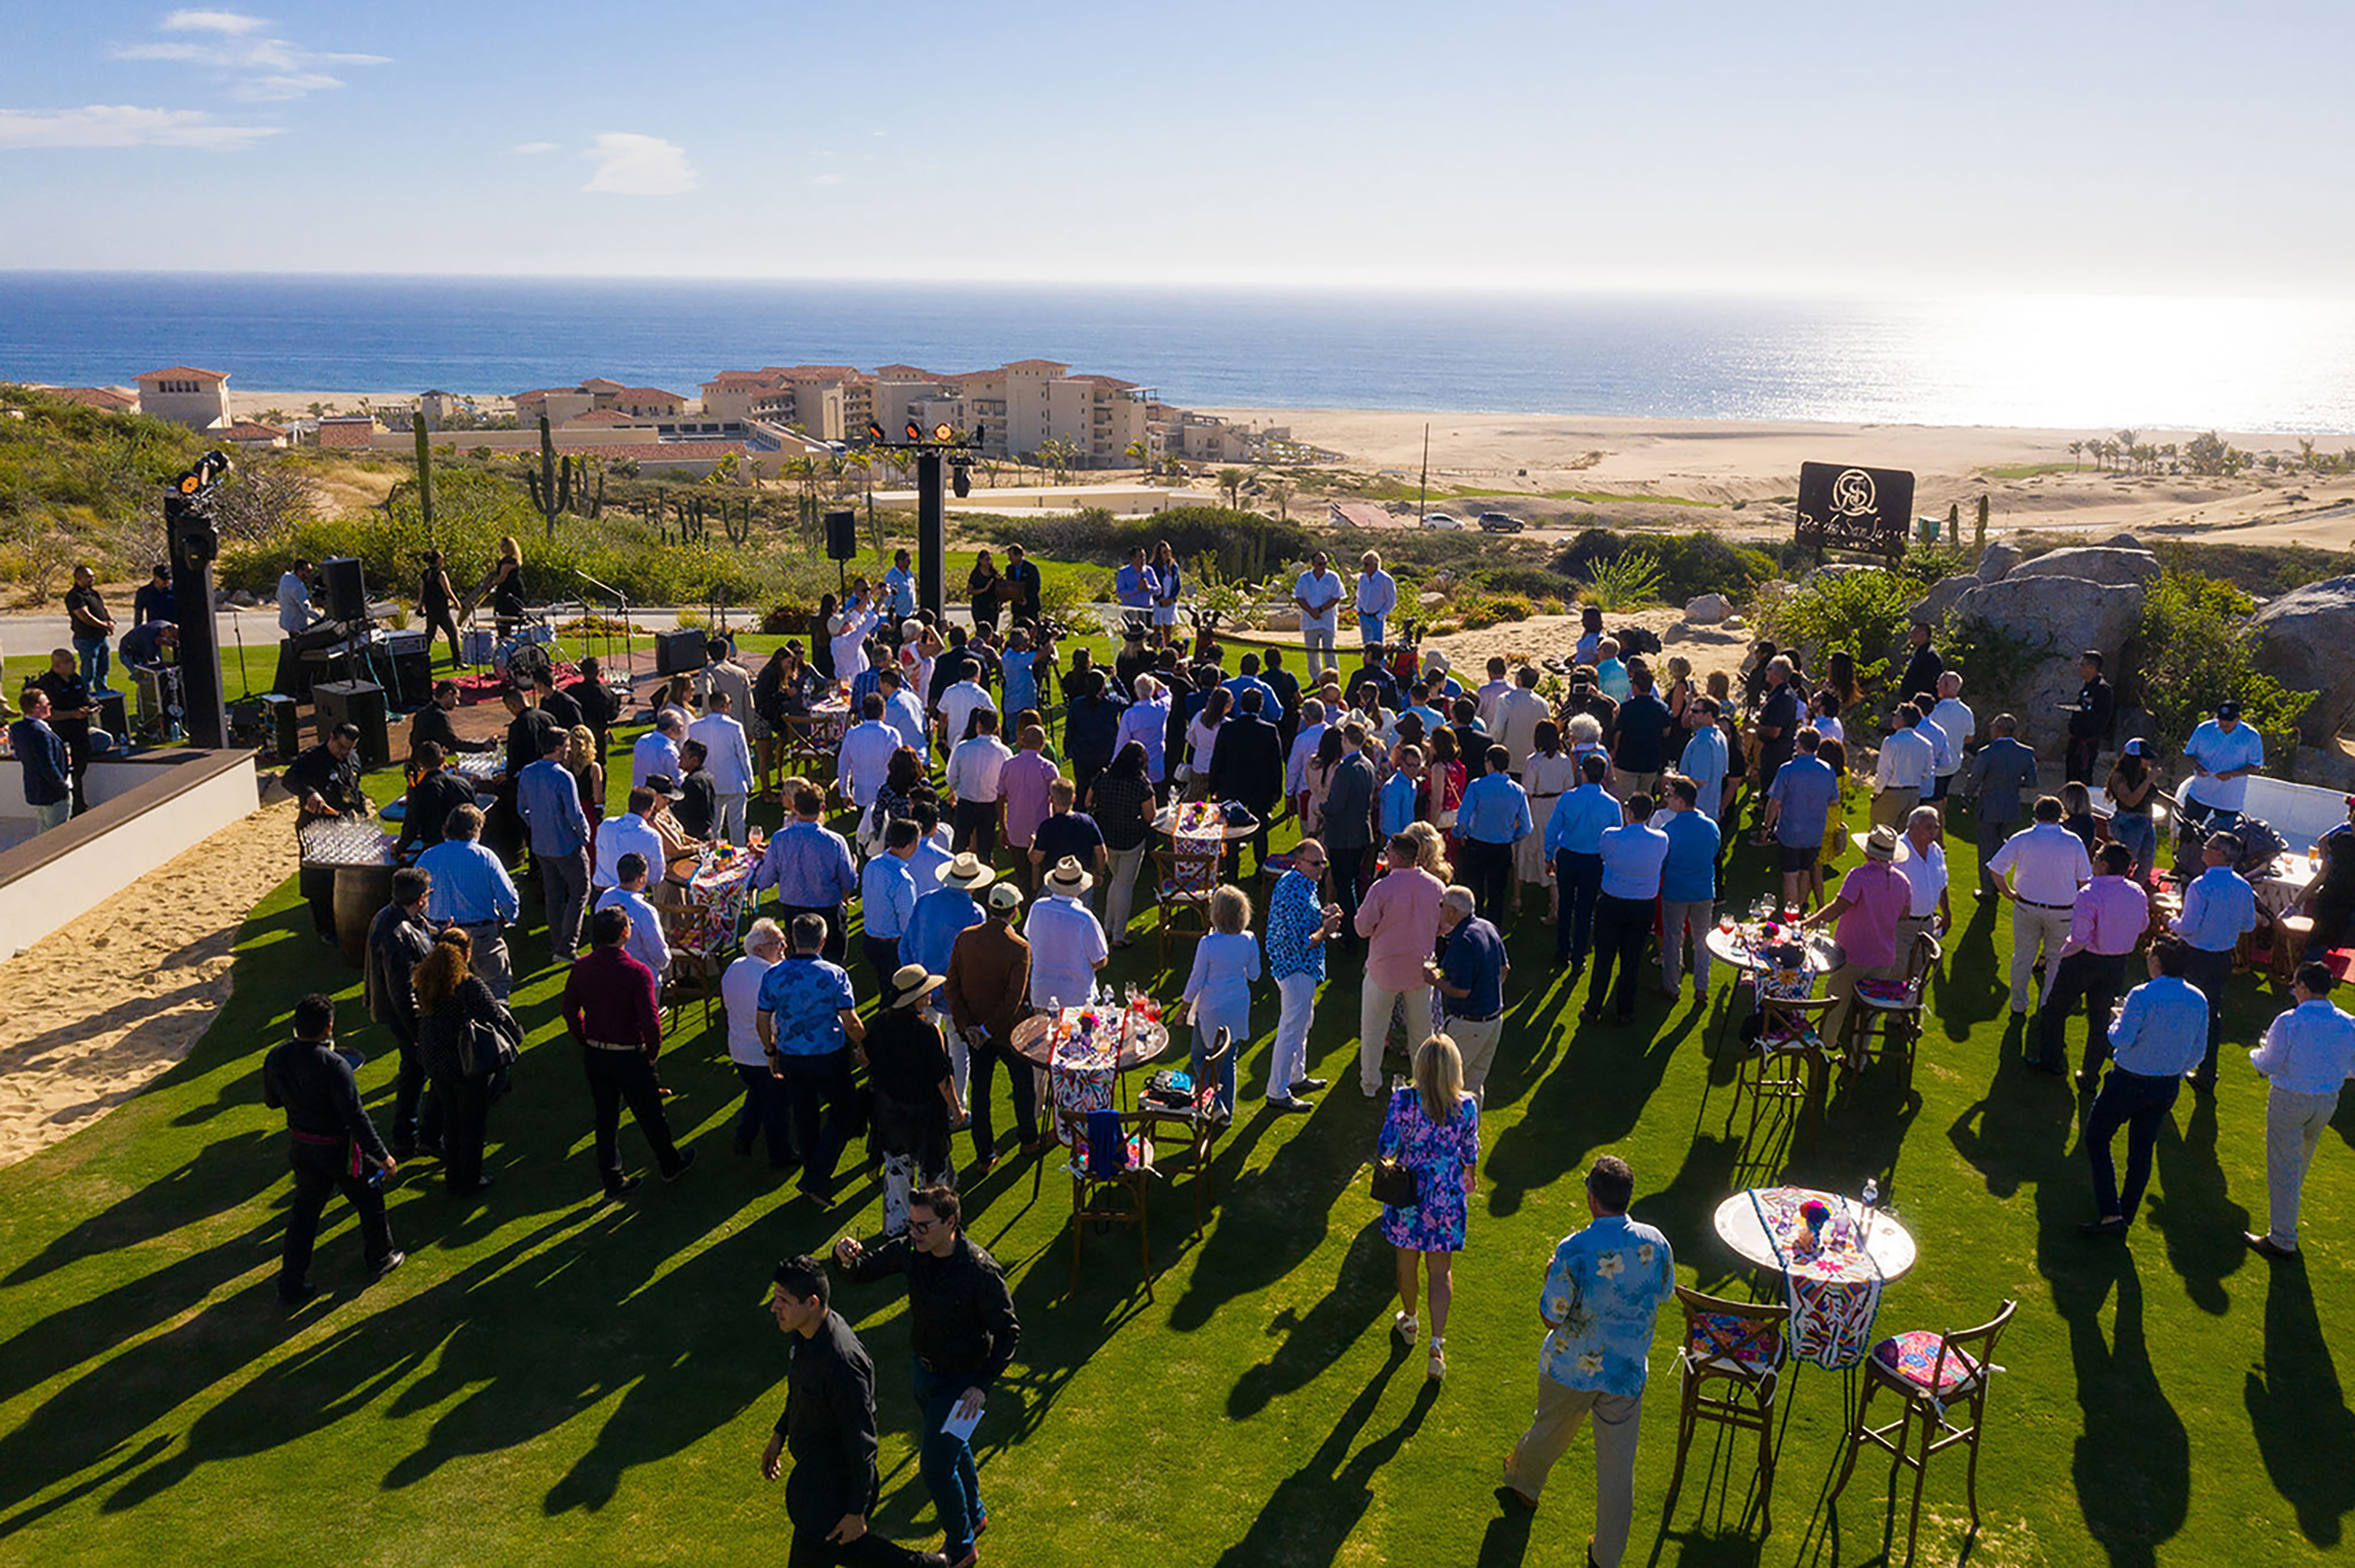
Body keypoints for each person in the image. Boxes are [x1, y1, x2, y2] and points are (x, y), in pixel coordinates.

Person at [1501, 1154, 1677, 1568]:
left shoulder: (1574, 1249)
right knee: (1618, 1468)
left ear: (1593, 1197)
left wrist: (1551, 1273)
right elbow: (1664, 1291)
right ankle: (1607, 1555)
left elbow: (1551, 1314)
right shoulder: (1656, 1241)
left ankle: (1524, 1485)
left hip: (1571, 1368)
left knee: (1549, 1430)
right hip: (1626, 1372)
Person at [832, 1186, 1019, 1567]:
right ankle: (975, 1513)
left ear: (950, 1222)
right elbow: (863, 1270)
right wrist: (845, 1258)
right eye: (910, 1224)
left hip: (962, 1386)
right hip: (925, 1374)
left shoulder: (979, 1271)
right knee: (952, 1449)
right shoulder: (910, 1252)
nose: (912, 1233)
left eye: (922, 1226)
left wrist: (980, 1387)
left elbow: (1008, 1332)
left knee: (934, 1467)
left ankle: (962, 1548)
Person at [759, 1255, 954, 1568]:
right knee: (848, 1549)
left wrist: (856, 1511)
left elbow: (861, 1442)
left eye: (783, 1300)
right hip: (817, 1474)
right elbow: (798, 1392)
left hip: (837, 1483)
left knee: (822, 1548)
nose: (773, 1307)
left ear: (811, 1303)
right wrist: (778, 1434)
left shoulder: (844, 1363)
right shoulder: (804, 1334)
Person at [261, 992, 402, 1307]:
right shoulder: (334, 1064)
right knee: (369, 1198)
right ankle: (380, 1256)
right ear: (328, 1027)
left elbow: (271, 1101)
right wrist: (382, 1155)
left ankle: (291, 1283)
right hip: (338, 1150)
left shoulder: (277, 1056)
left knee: (304, 1214)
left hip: (302, 1147)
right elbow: (355, 1116)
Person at [2081, 938, 2209, 1238]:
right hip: (2165, 1086)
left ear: (2156, 963)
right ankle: (2125, 1213)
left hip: (2128, 1080)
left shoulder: (2142, 995)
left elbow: (2122, 1039)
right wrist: (2175, 1071)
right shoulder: (2198, 999)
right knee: (2141, 1151)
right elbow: (2198, 1050)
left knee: (2097, 1137)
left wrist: (2114, 1022)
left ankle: (2111, 1214)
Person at [564, 905, 694, 1196]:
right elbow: (650, 1019)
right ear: (625, 933)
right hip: (629, 1054)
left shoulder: (581, 967)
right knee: (650, 1113)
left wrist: (583, 1038)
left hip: (597, 1054)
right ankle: (669, 1164)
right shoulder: (637, 972)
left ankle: (613, 1180)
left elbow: (570, 1011)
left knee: (606, 1118)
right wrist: (652, 1051)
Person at [1376, 1034, 1481, 1382]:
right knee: (1440, 1271)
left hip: (1408, 1196)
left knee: (1406, 1263)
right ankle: (1437, 1345)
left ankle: (1409, 1319)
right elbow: (1469, 1150)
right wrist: (1470, 1175)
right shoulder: (1466, 1105)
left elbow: (1386, 1147)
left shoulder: (1403, 1100)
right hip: (1446, 1198)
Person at [2245, 963, 2355, 1259]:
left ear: (2304, 986)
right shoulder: (2349, 1022)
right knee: (2298, 1165)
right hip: (2326, 1101)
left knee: (2284, 1168)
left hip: (2290, 1100)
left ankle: (2282, 1237)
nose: (2293, 991)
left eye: (2295, 985)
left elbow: (2269, 1064)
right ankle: (2286, 1221)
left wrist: (2255, 1054)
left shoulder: (2289, 1021)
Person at [759, 913, 865, 1201]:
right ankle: (815, 1178)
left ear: (793, 940)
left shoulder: (773, 974)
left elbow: (762, 1018)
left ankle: (812, 1174)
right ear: (822, 941)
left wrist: (771, 1050)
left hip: (791, 1055)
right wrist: (865, 1046)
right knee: (844, 1111)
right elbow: (850, 1020)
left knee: (805, 1117)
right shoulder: (834, 974)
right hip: (828, 1055)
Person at [411, 926, 517, 1196]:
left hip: (435, 1060)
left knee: (451, 1118)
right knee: (472, 1124)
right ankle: (469, 1178)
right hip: (465, 1061)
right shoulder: (468, 985)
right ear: (466, 953)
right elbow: (495, 1014)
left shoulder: (425, 979)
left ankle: (453, 1174)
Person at [2032, 843, 2150, 1082]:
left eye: (2096, 857)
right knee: (2099, 1020)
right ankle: (2089, 1074)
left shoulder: (2089, 893)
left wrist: (2065, 952)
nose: (2092, 860)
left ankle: (2052, 1062)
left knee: (2055, 1010)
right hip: (2116, 964)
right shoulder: (2137, 891)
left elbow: (2080, 937)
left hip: (2084, 961)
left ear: (2103, 865)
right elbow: (2143, 925)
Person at [1800, 825, 1913, 1057]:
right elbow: (1904, 914)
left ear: (1867, 852)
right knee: (1868, 1015)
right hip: (1883, 957)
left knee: (1835, 1003)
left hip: (1850, 954)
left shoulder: (1859, 876)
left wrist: (1805, 923)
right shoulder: (1902, 881)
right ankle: (1856, 1060)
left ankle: (1824, 1046)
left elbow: (1838, 908)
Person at [864, 967, 963, 1231]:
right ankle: (932, 1226)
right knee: (934, 1172)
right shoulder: (928, 1031)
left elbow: (867, 1058)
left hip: (890, 1109)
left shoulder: (881, 1023)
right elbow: (943, 1079)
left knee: (897, 1169)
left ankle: (897, 1227)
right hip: (925, 1112)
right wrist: (957, 1110)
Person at [1355, 832, 1446, 1095]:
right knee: (1421, 1033)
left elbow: (1362, 928)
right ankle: (1423, 1085)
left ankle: (1370, 1084)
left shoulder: (1382, 888)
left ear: (1396, 857)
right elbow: (1444, 925)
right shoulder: (1436, 886)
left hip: (1384, 970)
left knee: (1373, 1030)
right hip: (1421, 971)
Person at [2171, 829, 2260, 1093]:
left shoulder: (2201, 885)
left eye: (2208, 846)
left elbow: (2188, 926)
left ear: (2220, 855)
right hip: (2222, 957)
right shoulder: (2243, 886)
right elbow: (2248, 924)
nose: (2203, 849)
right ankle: (2207, 1072)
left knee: (2182, 1011)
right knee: (2211, 1015)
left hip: (2195, 956)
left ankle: (2172, 1066)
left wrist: (2171, 921)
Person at [1988, 794, 2094, 1017]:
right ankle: (2047, 1005)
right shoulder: (2073, 841)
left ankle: (2018, 1004)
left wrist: (2007, 893)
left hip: (2026, 907)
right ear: (2060, 815)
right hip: (2062, 912)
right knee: (2056, 959)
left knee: (2023, 957)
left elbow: (1995, 868)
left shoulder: (2022, 838)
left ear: (2036, 814)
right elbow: (2085, 880)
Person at [366, 866, 442, 1161]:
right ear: (421, 898)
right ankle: (421, 1138)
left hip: (398, 1013)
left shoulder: (392, 916)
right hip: (405, 1017)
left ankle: (407, 1138)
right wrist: (417, 1034)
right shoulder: (396, 933)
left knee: (413, 1073)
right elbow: (401, 992)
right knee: (426, 1071)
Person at [417, 804, 521, 1000]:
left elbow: (416, 896)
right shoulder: (485, 857)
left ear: (446, 829)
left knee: (445, 994)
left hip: (441, 936)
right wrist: (509, 918)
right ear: (476, 830)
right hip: (481, 935)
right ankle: (494, 1028)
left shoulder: (427, 857)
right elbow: (508, 898)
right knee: (495, 990)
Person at [1584, 794, 1668, 1026]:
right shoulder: (1661, 839)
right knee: (1631, 960)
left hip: (1612, 903)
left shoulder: (1611, 835)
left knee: (1604, 958)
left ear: (1629, 812)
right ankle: (1625, 1011)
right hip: (1642, 906)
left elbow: (1603, 855)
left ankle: (1593, 1007)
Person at [753, 782, 861, 965]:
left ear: (795, 807)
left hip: (794, 911)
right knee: (832, 966)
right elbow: (849, 883)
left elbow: (765, 881)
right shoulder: (835, 841)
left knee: (799, 965)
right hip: (827, 911)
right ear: (822, 808)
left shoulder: (780, 839)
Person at [1178, 885, 1262, 1119]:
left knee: (1200, 1058)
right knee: (1228, 1060)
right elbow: (1254, 974)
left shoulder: (1208, 943)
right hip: (1237, 1005)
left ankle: (1213, 1103)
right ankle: (1226, 1113)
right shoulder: (1249, 939)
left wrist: (1183, 1010)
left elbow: (1196, 980)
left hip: (1211, 1008)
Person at [518, 726, 595, 964]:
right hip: (566, 845)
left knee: (554, 894)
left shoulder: (527, 772)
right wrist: (584, 835)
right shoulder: (563, 776)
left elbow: (522, 809)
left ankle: (558, 943)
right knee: (580, 890)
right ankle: (567, 946)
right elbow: (574, 814)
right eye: (567, 746)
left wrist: (539, 825)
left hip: (541, 846)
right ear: (558, 748)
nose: (569, 750)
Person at [285, 720, 367, 938]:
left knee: (344, 876)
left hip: (343, 823)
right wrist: (309, 792)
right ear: (331, 737)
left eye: (349, 749)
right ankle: (325, 928)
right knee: (319, 879)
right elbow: (289, 779)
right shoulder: (312, 758)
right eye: (341, 747)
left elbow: (354, 788)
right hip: (316, 825)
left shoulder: (352, 759)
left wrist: (362, 810)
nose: (344, 753)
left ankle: (342, 917)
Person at [725, 917, 796, 1171]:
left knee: (755, 1094)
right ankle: (780, 1154)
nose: (784, 946)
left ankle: (744, 1138)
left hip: (739, 1050)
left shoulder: (734, 967)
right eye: (776, 943)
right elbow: (776, 1021)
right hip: (765, 1053)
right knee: (776, 1108)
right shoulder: (772, 976)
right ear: (758, 949)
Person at [1545, 753, 1622, 973]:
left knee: (1565, 905)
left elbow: (1553, 829)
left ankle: (1563, 950)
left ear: (1583, 772)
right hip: (1594, 861)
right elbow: (1615, 838)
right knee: (1585, 909)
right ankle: (1578, 957)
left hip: (1568, 857)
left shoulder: (1568, 798)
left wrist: (1548, 855)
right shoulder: (1611, 804)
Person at [1430, 887, 1507, 1100]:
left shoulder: (1462, 940)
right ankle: (1471, 1132)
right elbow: (1504, 969)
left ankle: (1446, 1132)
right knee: (1473, 1085)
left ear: (1453, 911)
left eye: (1442, 906)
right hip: (1493, 1020)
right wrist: (1487, 991)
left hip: (1469, 1024)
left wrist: (1435, 981)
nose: (1440, 910)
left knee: (1447, 1083)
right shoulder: (1487, 927)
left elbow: (1461, 991)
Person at [1657, 776, 1720, 1003]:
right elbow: (1714, 851)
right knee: (1702, 940)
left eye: (1670, 796)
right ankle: (1701, 987)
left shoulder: (1669, 829)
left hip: (1676, 892)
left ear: (1681, 801)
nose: (1668, 800)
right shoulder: (1710, 826)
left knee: (1673, 940)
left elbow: (1662, 861)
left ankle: (1671, 986)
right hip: (1703, 891)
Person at [1761, 729, 1839, 914]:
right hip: (1814, 832)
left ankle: (1790, 912)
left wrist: (1766, 827)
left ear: (1800, 745)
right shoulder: (1827, 770)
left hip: (1791, 830)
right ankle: (1800, 910)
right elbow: (1834, 800)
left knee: (1790, 875)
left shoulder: (1787, 769)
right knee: (1805, 870)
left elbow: (1775, 802)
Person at [1209, 688, 1285, 872]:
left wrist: (1213, 787)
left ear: (1241, 705)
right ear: (1260, 707)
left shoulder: (1228, 728)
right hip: (1259, 788)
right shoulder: (1268, 730)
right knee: (1260, 830)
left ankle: (1231, 869)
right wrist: (1277, 790)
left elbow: (1217, 759)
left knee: (1232, 830)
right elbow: (1276, 763)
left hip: (1232, 786)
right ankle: (1260, 867)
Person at [1963, 712, 2040, 894]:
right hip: (2010, 806)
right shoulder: (2025, 753)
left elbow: (1975, 779)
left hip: (1989, 806)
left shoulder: (1987, 753)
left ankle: (1988, 889)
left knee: (1986, 848)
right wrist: (2013, 781)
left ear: (1997, 729)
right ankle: (1998, 883)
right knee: (2001, 847)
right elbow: (2032, 781)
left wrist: (1965, 798)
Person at [1457, 747, 1533, 923]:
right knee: (1497, 896)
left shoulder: (1476, 786)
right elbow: (1527, 826)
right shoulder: (1517, 791)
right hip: (1501, 847)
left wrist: (1461, 833)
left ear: (1489, 763)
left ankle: (1472, 929)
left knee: (1475, 893)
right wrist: (1512, 836)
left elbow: (1462, 818)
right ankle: (1493, 932)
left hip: (1476, 845)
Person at [1024, 856, 1109, 1009]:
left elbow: (1030, 938)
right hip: (1076, 997)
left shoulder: (1037, 907)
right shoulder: (1084, 918)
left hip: (1042, 993)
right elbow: (1100, 960)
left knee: (1044, 1032)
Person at [688, 689, 756, 848]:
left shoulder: (695, 727)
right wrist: (749, 780)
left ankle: (715, 858)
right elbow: (743, 756)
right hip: (733, 781)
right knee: (737, 825)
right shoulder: (734, 727)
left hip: (709, 784)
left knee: (714, 826)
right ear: (725, 706)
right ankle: (739, 858)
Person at [1000, 726, 1060, 899]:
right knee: (1042, 878)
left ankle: (1026, 907)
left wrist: (1003, 827)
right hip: (1042, 833)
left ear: (1022, 741)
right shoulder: (1048, 768)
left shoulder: (1008, 765)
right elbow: (1057, 800)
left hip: (1016, 830)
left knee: (1022, 876)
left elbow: (1000, 797)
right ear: (1042, 744)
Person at [861, 817, 921, 987]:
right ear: (910, 845)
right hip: (891, 947)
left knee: (885, 985)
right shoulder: (903, 880)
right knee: (896, 995)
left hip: (869, 940)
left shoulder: (872, 863)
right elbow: (906, 924)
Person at [596, 851, 674, 981]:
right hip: (643, 977)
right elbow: (659, 954)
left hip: (610, 973)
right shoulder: (645, 910)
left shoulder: (605, 898)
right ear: (641, 878)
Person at [1891, 803, 1952, 956]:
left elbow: (1941, 884)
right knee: (1896, 972)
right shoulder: (1896, 850)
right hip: (1900, 925)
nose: (1934, 832)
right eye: (1928, 827)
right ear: (1912, 827)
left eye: (1936, 827)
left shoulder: (1936, 851)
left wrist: (1946, 912)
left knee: (1919, 971)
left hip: (1927, 924)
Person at [9, 690, 73, 834]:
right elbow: (46, 764)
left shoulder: (18, 728)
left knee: (44, 830)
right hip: (52, 792)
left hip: (36, 789)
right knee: (56, 833)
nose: (50, 706)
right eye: (47, 704)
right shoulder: (39, 732)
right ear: (37, 707)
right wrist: (62, 788)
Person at [1872, 703, 1937, 832]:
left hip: (1892, 792)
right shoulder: (1925, 744)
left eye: (1896, 714)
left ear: (1903, 719)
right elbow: (1928, 772)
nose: (1893, 717)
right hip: (1913, 793)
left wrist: (1877, 792)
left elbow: (1884, 772)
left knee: (1880, 834)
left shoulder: (1891, 742)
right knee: (1903, 836)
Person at [2065, 650, 2118, 784]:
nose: (2080, 668)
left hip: (2087, 741)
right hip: (2076, 739)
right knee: (2071, 775)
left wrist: (2088, 729)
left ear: (2092, 668)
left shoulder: (2102, 689)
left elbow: (2103, 716)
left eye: (2082, 665)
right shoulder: (2087, 687)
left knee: (2083, 776)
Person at [64, 562, 116, 694]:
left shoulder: (93, 593)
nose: (92, 579)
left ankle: (102, 694)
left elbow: (103, 608)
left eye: (92, 576)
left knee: (103, 669)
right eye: (88, 577)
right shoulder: (75, 596)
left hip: (101, 637)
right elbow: (85, 616)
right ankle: (84, 695)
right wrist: (104, 625)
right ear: (78, 579)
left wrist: (110, 621)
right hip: (86, 638)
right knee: (89, 672)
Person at [1292, 549, 1345, 676]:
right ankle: (1316, 679)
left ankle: (1332, 678)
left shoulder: (1333, 577)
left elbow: (1337, 596)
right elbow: (1298, 597)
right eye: (1320, 563)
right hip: (1310, 621)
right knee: (1312, 654)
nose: (1322, 566)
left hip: (1327, 620)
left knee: (1329, 652)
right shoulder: (1304, 578)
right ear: (1313, 564)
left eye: (1325, 563)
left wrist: (1320, 609)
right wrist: (1311, 611)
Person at [1927, 671, 1974, 810]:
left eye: (1939, 683)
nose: (1936, 686)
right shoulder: (1966, 711)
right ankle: (1940, 822)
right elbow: (1970, 737)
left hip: (1937, 764)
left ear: (1945, 686)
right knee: (1942, 795)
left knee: (1932, 801)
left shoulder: (1935, 711)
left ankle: (1935, 827)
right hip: (1954, 762)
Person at [1354, 550, 1397, 651]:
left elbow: (1391, 601)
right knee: (1366, 647)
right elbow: (1359, 596)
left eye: (1367, 564)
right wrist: (1359, 610)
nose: (1364, 567)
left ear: (1375, 564)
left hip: (1376, 618)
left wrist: (1380, 615)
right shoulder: (1362, 578)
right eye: (1364, 564)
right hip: (1364, 616)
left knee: (1377, 649)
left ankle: (1380, 666)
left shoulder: (1385, 579)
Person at [487, 537, 528, 638]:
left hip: (509, 591)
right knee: (505, 617)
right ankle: (505, 636)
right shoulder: (510, 560)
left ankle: (504, 637)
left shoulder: (509, 561)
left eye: (503, 546)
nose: (501, 548)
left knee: (504, 616)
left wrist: (492, 584)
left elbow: (502, 577)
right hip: (509, 589)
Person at [1898, 619, 1943, 707]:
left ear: (1923, 635)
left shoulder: (1930, 656)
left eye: (1914, 634)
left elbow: (1931, 683)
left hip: (1922, 705)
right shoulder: (1919, 653)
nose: (1910, 636)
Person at [1001, 543, 1043, 627]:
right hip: (1017, 606)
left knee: (1031, 629)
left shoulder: (1031, 568)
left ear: (1019, 555)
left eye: (1011, 556)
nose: (1009, 559)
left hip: (1031, 605)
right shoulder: (1009, 569)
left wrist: (1025, 598)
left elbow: (1035, 587)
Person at [967, 550, 1003, 635]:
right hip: (979, 605)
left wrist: (1000, 603)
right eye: (986, 559)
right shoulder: (976, 574)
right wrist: (984, 589)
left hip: (992, 606)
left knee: (993, 630)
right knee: (982, 630)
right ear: (980, 560)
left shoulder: (994, 573)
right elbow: (969, 591)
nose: (989, 562)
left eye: (990, 559)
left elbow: (1000, 590)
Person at [132, 560, 176, 628]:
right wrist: (138, 630)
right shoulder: (144, 592)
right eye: (163, 579)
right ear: (155, 577)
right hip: (154, 629)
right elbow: (138, 614)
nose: (167, 581)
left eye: (169, 578)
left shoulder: (176, 591)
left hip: (173, 629)